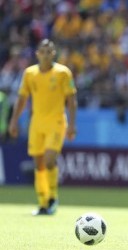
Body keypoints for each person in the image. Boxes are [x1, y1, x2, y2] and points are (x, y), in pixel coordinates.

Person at [8, 39, 77, 216]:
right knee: (38, 165)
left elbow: (71, 99)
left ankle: (53, 197)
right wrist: (14, 121)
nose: (46, 55)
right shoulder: (29, 74)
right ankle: (43, 202)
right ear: (37, 54)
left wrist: (72, 125)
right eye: (42, 51)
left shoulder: (63, 73)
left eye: (49, 51)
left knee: (49, 160)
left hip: (56, 122)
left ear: (53, 54)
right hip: (36, 123)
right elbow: (22, 99)